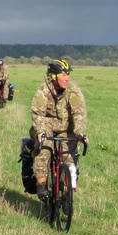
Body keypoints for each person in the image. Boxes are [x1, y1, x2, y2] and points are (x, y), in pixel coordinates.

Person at [29, 59, 87, 197]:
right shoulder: (43, 91)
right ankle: (41, 185)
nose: (67, 78)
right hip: (45, 127)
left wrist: (79, 132)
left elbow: (79, 113)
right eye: (63, 74)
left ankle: (67, 190)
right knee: (44, 150)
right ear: (53, 76)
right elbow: (37, 115)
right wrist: (41, 132)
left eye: (68, 74)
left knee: (69, 158)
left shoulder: (73, 90)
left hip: (66, 129)